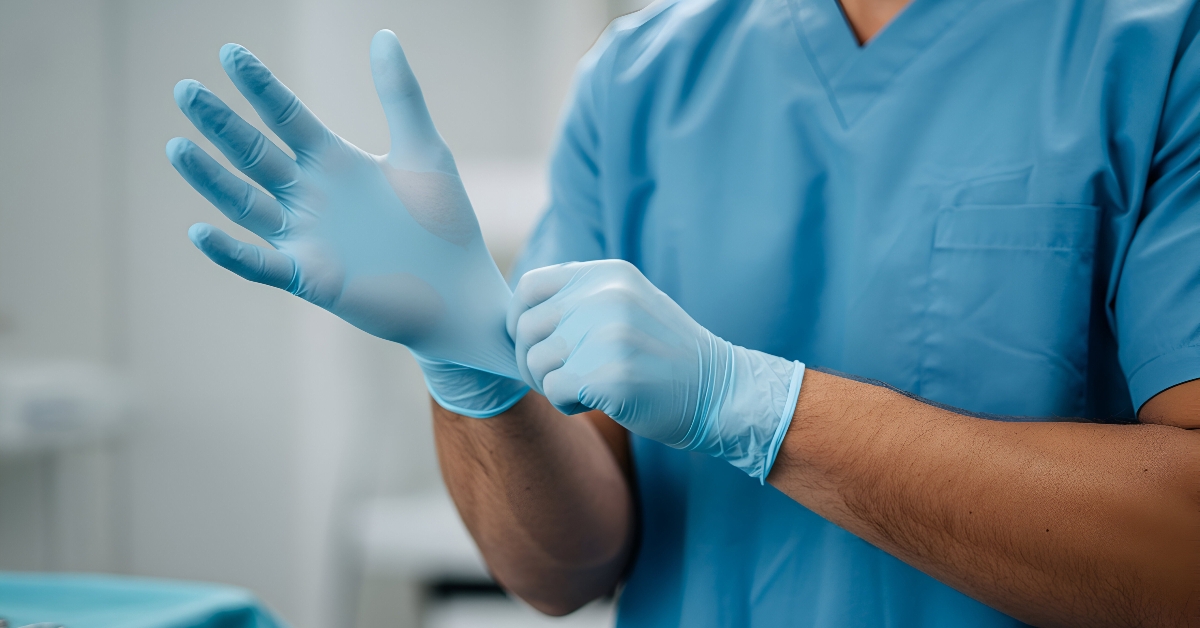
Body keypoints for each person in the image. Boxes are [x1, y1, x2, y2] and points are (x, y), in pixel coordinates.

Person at [167, 0, 1200, 625]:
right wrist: (471, 356)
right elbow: (559, 570)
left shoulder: (1159, 50)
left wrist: (753, 404)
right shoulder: (638, 79)